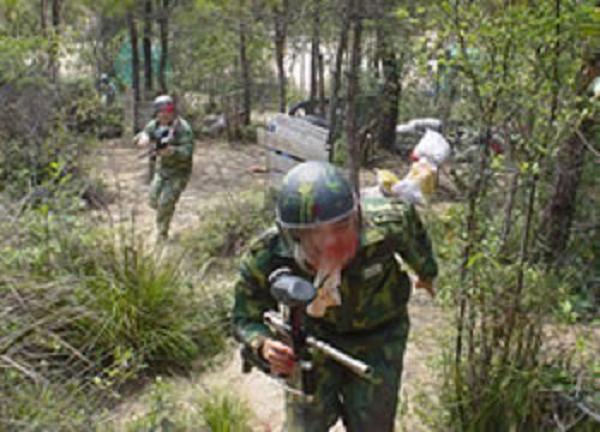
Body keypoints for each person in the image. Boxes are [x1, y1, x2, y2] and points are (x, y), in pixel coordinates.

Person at [233, 161, 438, 431]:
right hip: (312, 341)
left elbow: (417, 243)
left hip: (380, 340)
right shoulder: (269, 254)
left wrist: (426, 273)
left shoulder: (388, 223)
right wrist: (264, 346)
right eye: (314, 237)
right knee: (304, 426)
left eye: (341, 228)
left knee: (374, 425)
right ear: (292, 236)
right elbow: (245, 318)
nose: (330, 243)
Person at [135, 95, 194, 241]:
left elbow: (188, 151)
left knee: (165, 202)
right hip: (162, 171)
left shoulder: (183, 128)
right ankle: (165, 213)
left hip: (179, 172)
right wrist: (143, 138)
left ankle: (162, 234)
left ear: (173, 111)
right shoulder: (155, 124)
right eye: (160, 111)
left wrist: (172, 151)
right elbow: (143, 134)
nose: (164, 115)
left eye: (167, 111)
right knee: (153, 200)